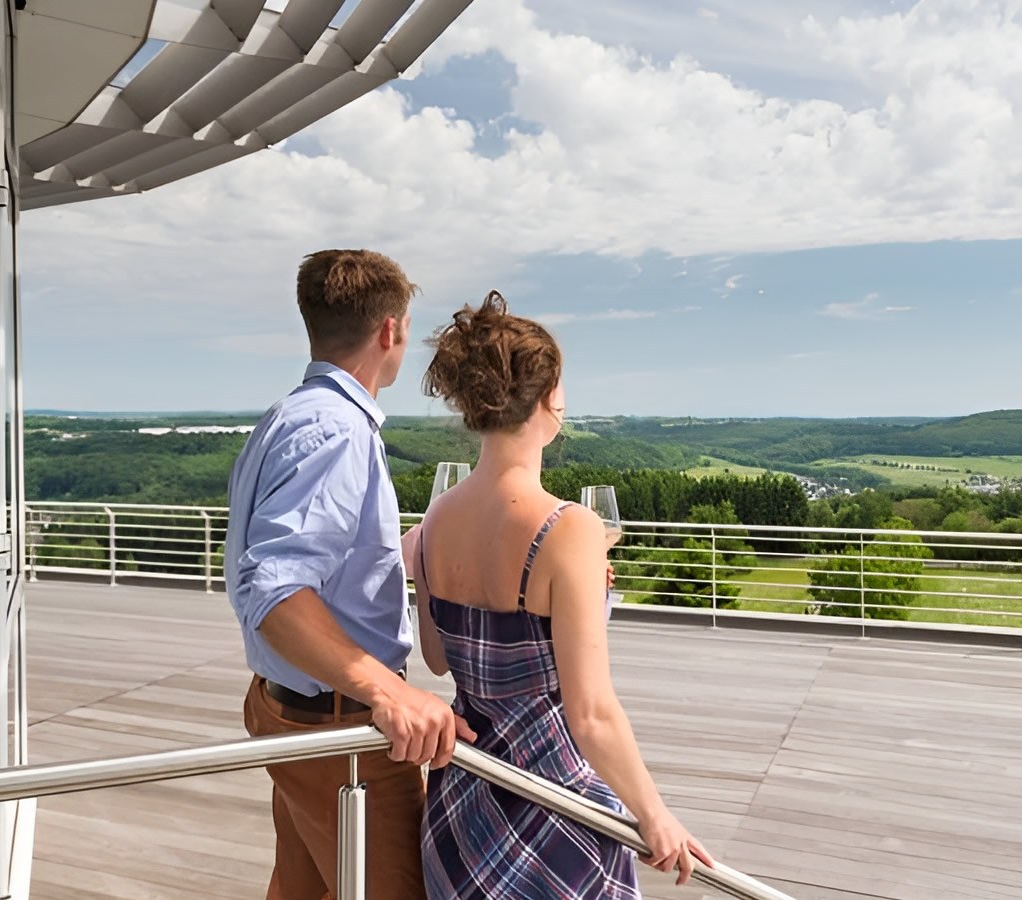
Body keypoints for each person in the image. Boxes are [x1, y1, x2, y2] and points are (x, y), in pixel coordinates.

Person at [412, 290, 714, 897]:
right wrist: (655, 816)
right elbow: (592, 715)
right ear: (548, 399)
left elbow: (439, 659)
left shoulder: (433, 521)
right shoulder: (568, 528)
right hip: (550, 800)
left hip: (463, 804)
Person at [224, 249, 476, 900]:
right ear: (390, 330)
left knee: (304, 888)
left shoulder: (289, 416)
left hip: (288, 710)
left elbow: (304, 557)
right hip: (342, 731)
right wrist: (388, 693)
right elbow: (276, 591)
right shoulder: (338, 431)